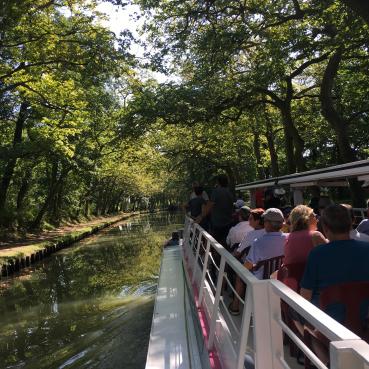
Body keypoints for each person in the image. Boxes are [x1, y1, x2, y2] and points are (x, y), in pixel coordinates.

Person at [300, 204, 369, 308]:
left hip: (327, 319)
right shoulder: (366, 248)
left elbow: (305, 295)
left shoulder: (317, 254)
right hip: (363, 316)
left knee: (292, 309)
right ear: (350, 223)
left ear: (325, 228)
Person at [228, 208, 287, 315]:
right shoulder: (288, 239)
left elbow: (247, 266)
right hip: (281, 278)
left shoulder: (258, 242)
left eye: (264, 221)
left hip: (261, 280)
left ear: (268, 224)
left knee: (239, 274)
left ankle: (235, 305)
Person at [198, 174, 234, 248]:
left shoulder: (216, 192)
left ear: (218, 182)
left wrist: (201, 217)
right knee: (225, 245)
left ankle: (210, 257)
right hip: (228, 223)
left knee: (213, 245)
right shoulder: (230, 193)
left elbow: (209, 207)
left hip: (217, 224)